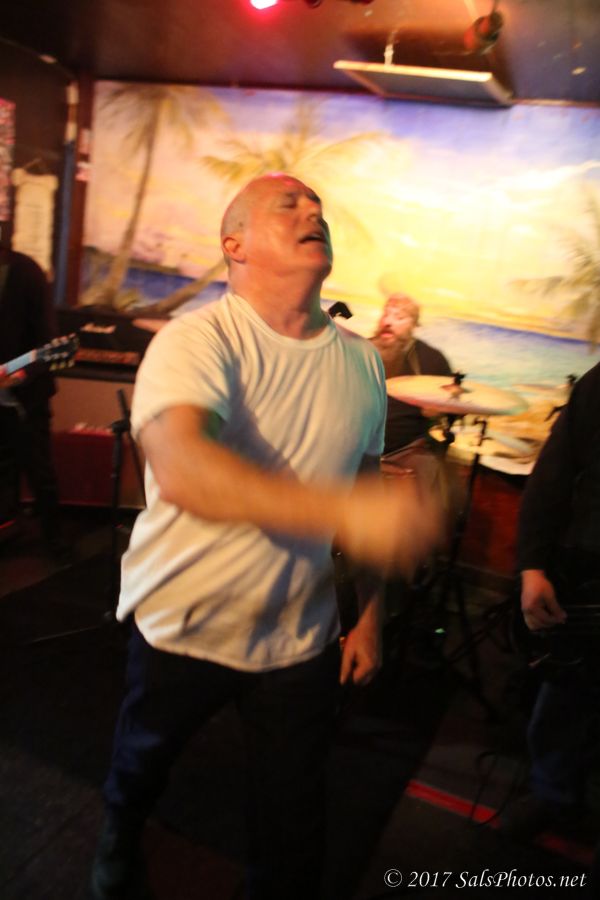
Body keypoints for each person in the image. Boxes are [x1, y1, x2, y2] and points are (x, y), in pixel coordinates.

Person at [89, 174, 442, 900]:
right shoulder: (197, 339)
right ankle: (118, 838)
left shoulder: (361, 363)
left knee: (293, 819)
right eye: (290, 204)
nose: (314, 212)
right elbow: (185, 470)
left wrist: (369, 617)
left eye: (318, 207)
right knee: (143, 765)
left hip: (299, 636)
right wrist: (344, 515)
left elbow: (366, 492)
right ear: (235, 244)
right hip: (185, 621)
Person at [502, 360, 600, 842]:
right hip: (588, 572)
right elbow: (552, 479)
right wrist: (533, 567)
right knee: (566, 692)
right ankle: (552, 791)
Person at [0, 246, 64, 557]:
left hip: (25, 396)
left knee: (39, 469)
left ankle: (55, 542)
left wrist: (17, 376)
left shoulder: (25, 272)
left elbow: (47, 346)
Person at [370, 292, 452, 463]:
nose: (387, 322)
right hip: (353, 448)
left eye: (399, 317)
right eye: (386, 314)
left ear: (414, 324)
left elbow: (454, 404)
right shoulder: (360, 349)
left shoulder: (432, 360)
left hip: (404, 453)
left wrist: (439, 411)